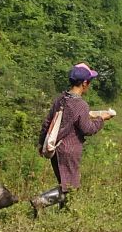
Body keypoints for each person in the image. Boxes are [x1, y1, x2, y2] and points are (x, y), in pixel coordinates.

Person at [32, 63, 115, 214]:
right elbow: (88, 129)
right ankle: (41, 201)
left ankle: (64, 215)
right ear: (84, 83)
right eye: (89, 82)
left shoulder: (61, 99)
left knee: (65, 185)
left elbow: (47, 123)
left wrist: (41, 143)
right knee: (70, 187)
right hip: (69, 150)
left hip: (55, 148)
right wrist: (102, 118)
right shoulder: (80, 105)